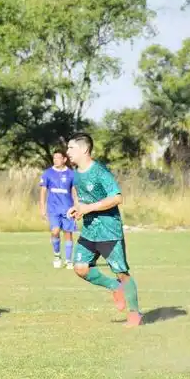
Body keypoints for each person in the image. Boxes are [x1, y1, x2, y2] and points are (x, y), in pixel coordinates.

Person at [66, 133, 142, 327]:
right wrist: (77, 207)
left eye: (71, 148)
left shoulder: (100, 171)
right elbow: (81, 197)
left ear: (84, 149)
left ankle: (134, 314)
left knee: (122, 273)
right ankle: (115, 288)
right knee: (80, 268)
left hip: (109, 230)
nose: (67, 153)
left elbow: (117, 198)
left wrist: (88, 208)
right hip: (90, 230)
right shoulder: (76, 174)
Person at [40, 150, 77, 269]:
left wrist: (77, 206)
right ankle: (57, 255)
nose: (55, 160)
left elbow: (75, 191)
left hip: (68, 208)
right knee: (55, 231)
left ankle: (68, 260)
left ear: (64, 159)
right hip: (53, 208)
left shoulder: (71, 174)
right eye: (54, 158)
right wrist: (42, 208)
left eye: (58, 158)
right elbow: (43, 192)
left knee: (68, 233)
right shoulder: (47, 173)